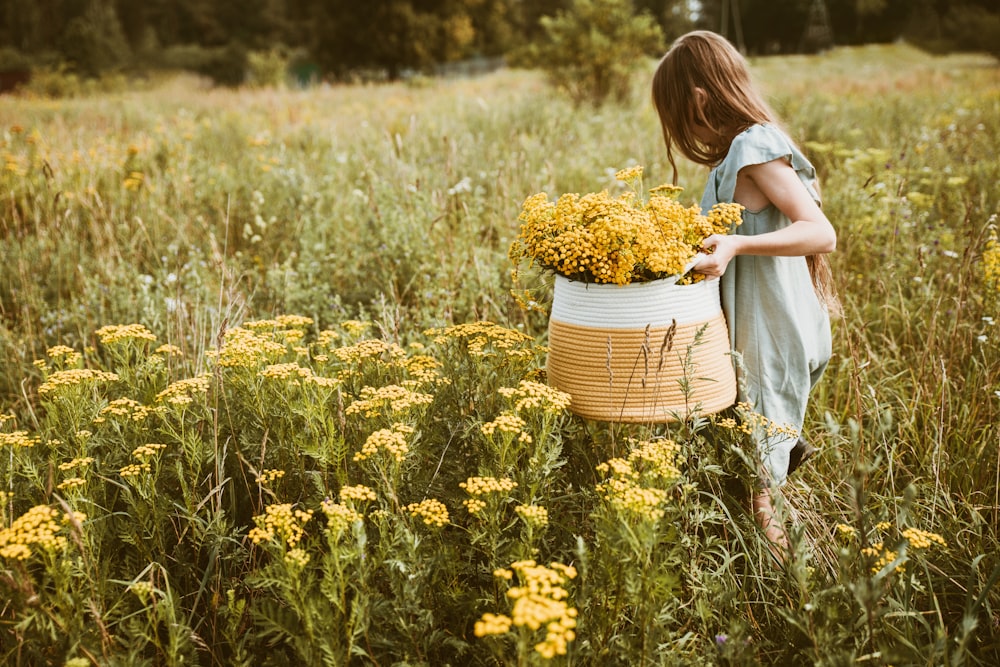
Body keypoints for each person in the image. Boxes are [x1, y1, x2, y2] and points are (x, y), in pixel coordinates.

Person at [651, 31, 838, 563]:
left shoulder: (753, 147)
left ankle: (798, 596)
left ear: (699, 100)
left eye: (677, 115)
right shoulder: (736, 157)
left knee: (758, 490)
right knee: (755, 476)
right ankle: (798, 565)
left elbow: (820, 232)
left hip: (771, 334)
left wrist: (736, 243)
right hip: (762, 332)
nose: (680, 131)